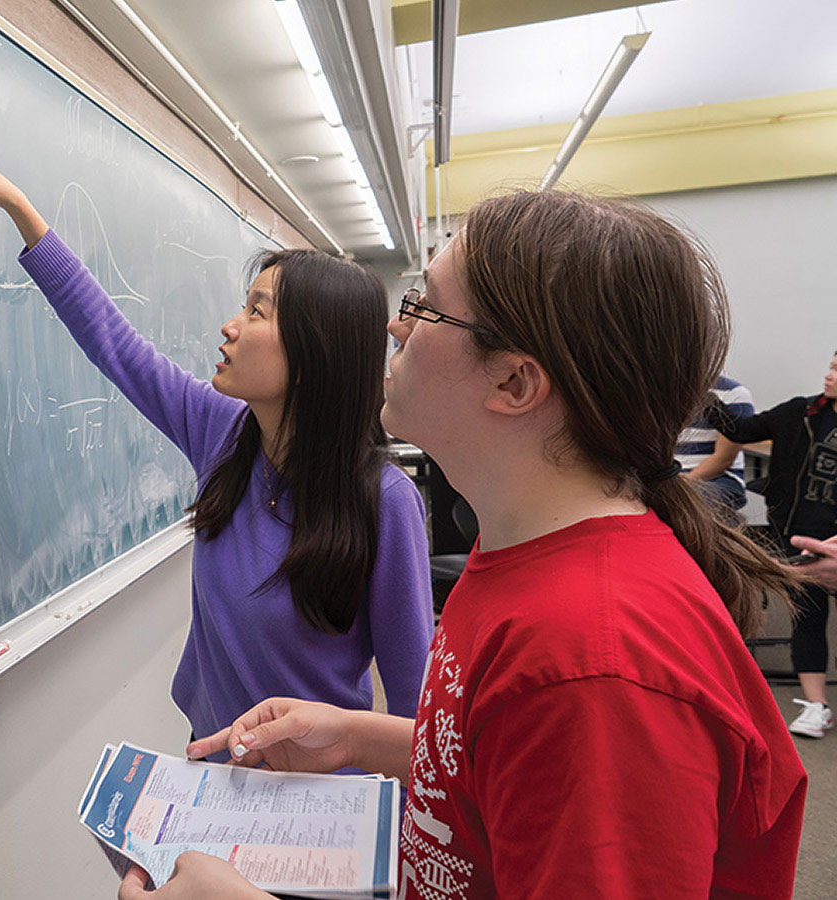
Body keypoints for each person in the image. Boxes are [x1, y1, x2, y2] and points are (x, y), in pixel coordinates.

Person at [123, 190, 808, 900]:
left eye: (424, 306)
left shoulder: (593, 667)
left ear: (514, 382)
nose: (394, 325)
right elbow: (490, 761)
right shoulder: (518, 557)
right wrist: (362, 737)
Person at [0, 124, 434, 747]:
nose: (230, 326)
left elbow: (417, 708)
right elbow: (117, 347)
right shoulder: (225, 434)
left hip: (319, 801)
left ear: (313, 353)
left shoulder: (383, 502)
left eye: (256, 312)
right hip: (213, 769)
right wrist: (20, 210)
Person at [708, 351, 837, 738]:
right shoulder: (798, 412)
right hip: (796, 535)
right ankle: (817, 706)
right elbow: (740, 428)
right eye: (831, 365)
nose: (829, 375)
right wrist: (701, 393)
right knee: (808, 618)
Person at [677, 374, 753, 524]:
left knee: (685, 506)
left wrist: (679, 485)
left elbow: (723, 459)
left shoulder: (734, 393)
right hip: (671, 477)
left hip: (718, 479)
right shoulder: (658, 393)